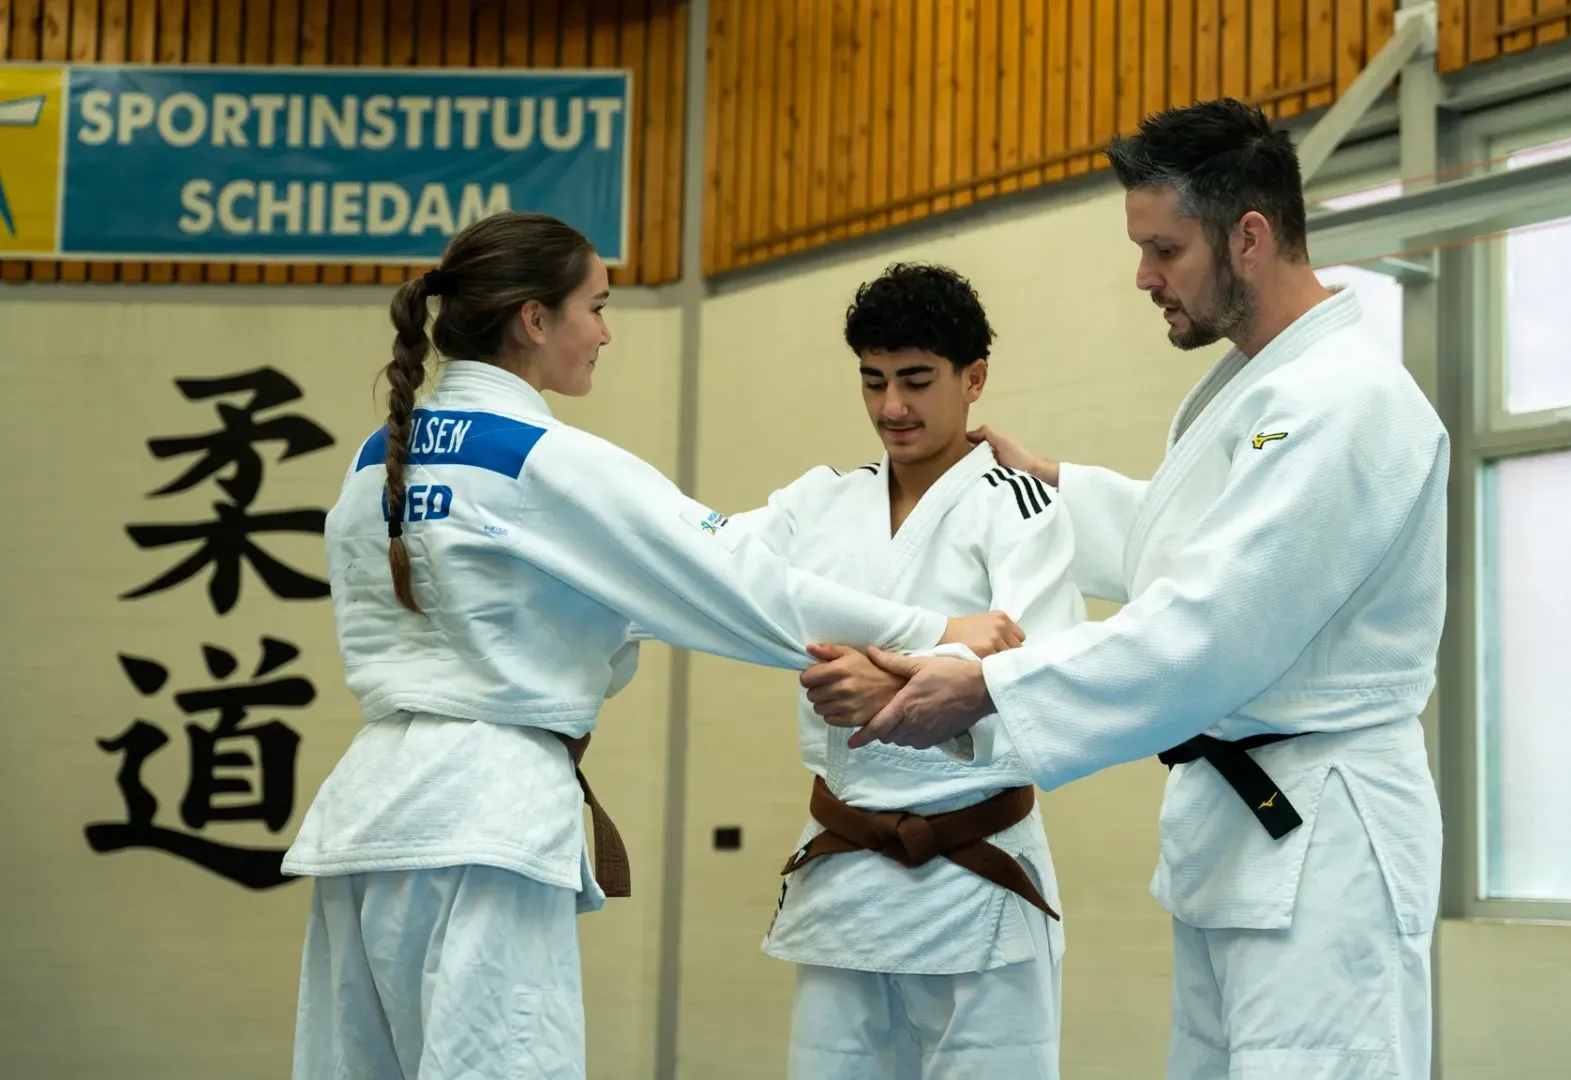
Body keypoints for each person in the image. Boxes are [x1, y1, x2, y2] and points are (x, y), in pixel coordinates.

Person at [280, 212, 1023, 1080]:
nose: (603, 331)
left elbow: (626, 585)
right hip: (485, 821)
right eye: (594, 306)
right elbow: (729, 580)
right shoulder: (543, 457)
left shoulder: (379, 459)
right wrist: (934, 629)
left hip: (365, 818)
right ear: (534, 319)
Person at [822, 98, 1449, 1079]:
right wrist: (1053, 491)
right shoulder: (1264, 387)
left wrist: (991, 687)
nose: (1144, 277)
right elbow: (1192, 542)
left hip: (1324, 835)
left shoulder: (1345, 397)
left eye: (1164, 250)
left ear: (1248, 238)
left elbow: (1218, 620)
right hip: (1244, 830)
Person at [715, 262, 1084, 1080]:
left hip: (975, 876)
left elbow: (1048, 661)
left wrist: (903, 682)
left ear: (974, 378)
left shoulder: (1017, 504)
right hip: (845, 869)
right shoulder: (816, 503)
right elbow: (710, 571)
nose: (892, 407)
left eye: (917, 381)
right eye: (873, 381)